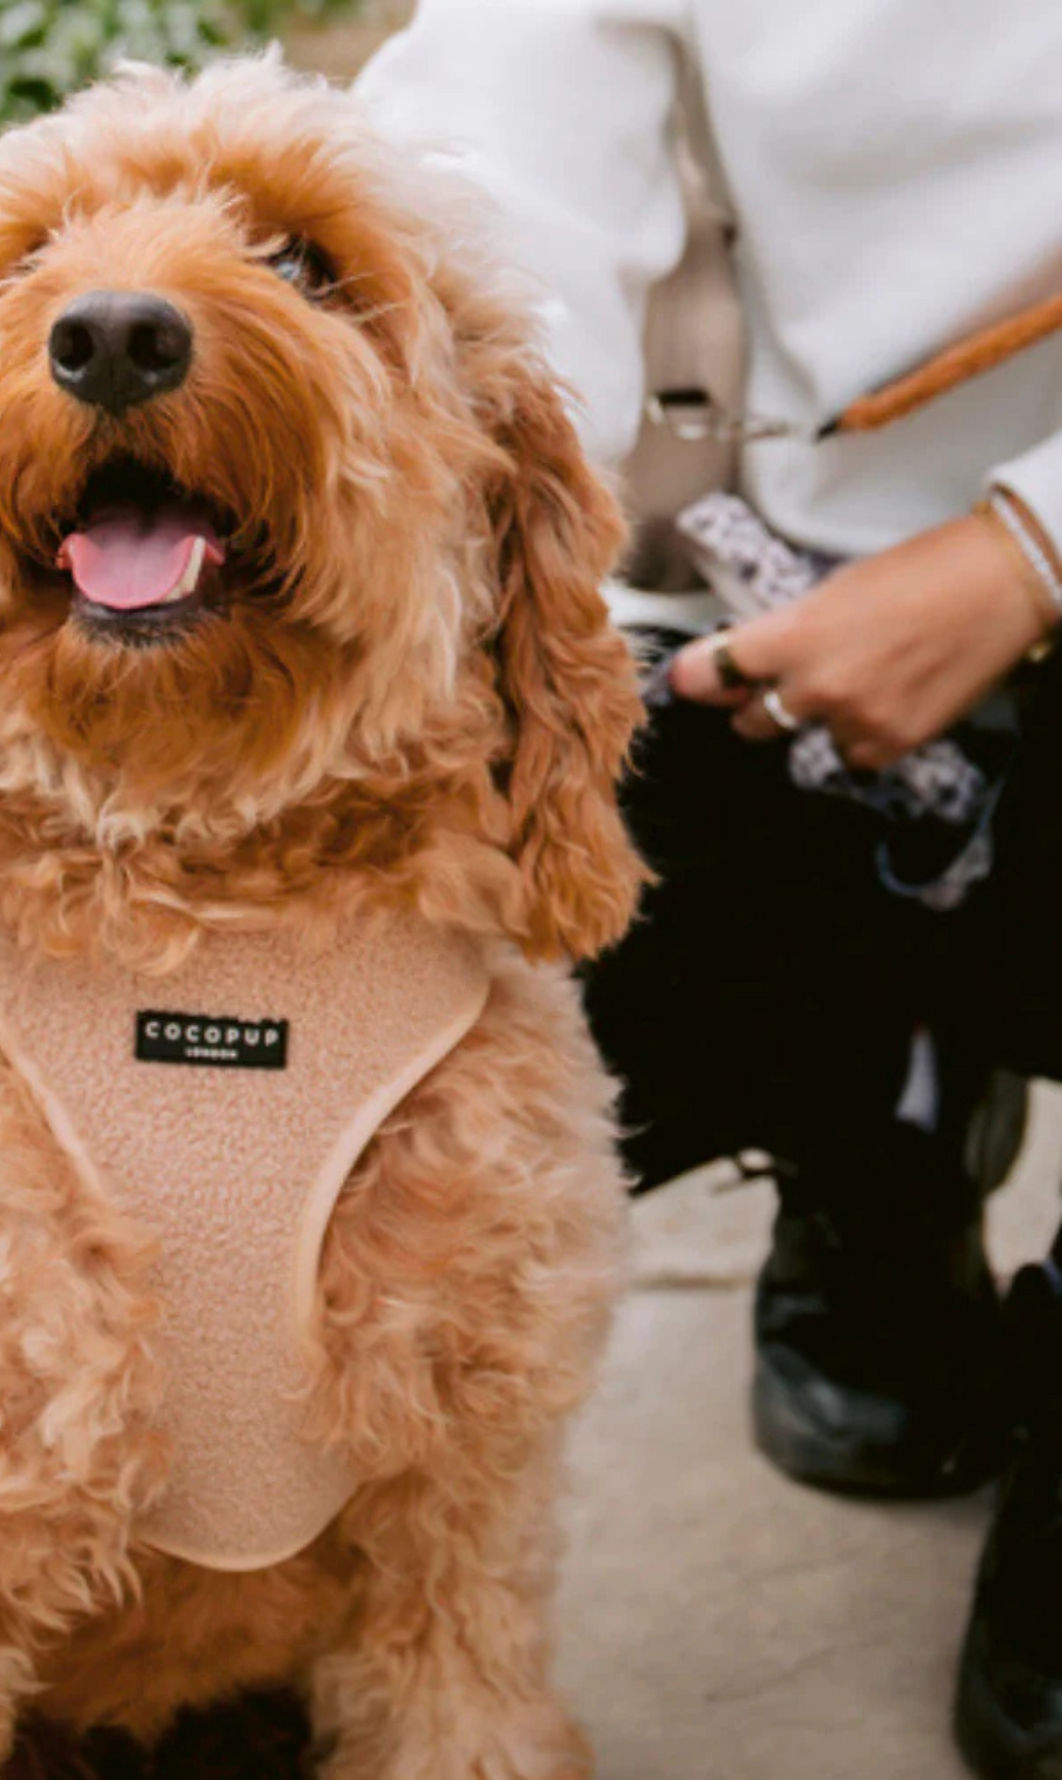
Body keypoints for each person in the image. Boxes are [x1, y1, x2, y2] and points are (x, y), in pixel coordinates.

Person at [356, 4, 1062, 1775]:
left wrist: (1029, 550)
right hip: (793, 590)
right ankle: (882, 1138)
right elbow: (492, 182)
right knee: (405, 932)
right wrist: (463, 524)